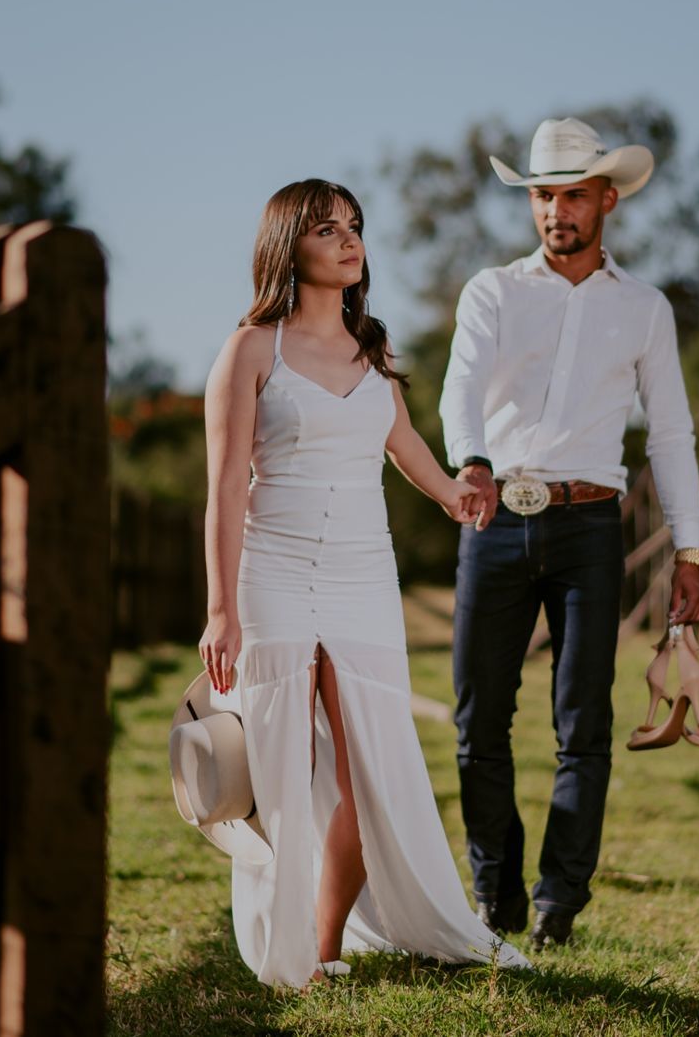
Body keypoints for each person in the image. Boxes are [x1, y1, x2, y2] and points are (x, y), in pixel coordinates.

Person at [199, 178, 533, 988]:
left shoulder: (372, 350)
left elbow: (404, 445)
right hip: (272, 571)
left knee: (366, 774)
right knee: (277, 767)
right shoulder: (251, 349)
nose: (349, 241)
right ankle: (284, 954)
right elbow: (222, 489)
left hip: (362, 572)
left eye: (354, 227)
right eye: (327, 229)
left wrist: (458, 492)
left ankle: (323, 948)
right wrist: (220, 610)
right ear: (288, 245)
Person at [440, 117, 699, 948]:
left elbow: (671, 435)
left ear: (608, 200)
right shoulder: (492, 291)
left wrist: (690, 549)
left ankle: (559, 903)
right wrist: (473, 460)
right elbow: (460, 388)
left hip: (593, 527)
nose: (555, 209)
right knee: (478, 721)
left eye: (572, 195)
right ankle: (497, 896)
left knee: (581, 724)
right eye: (543, 195)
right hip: (496, 519)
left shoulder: (644, 309)